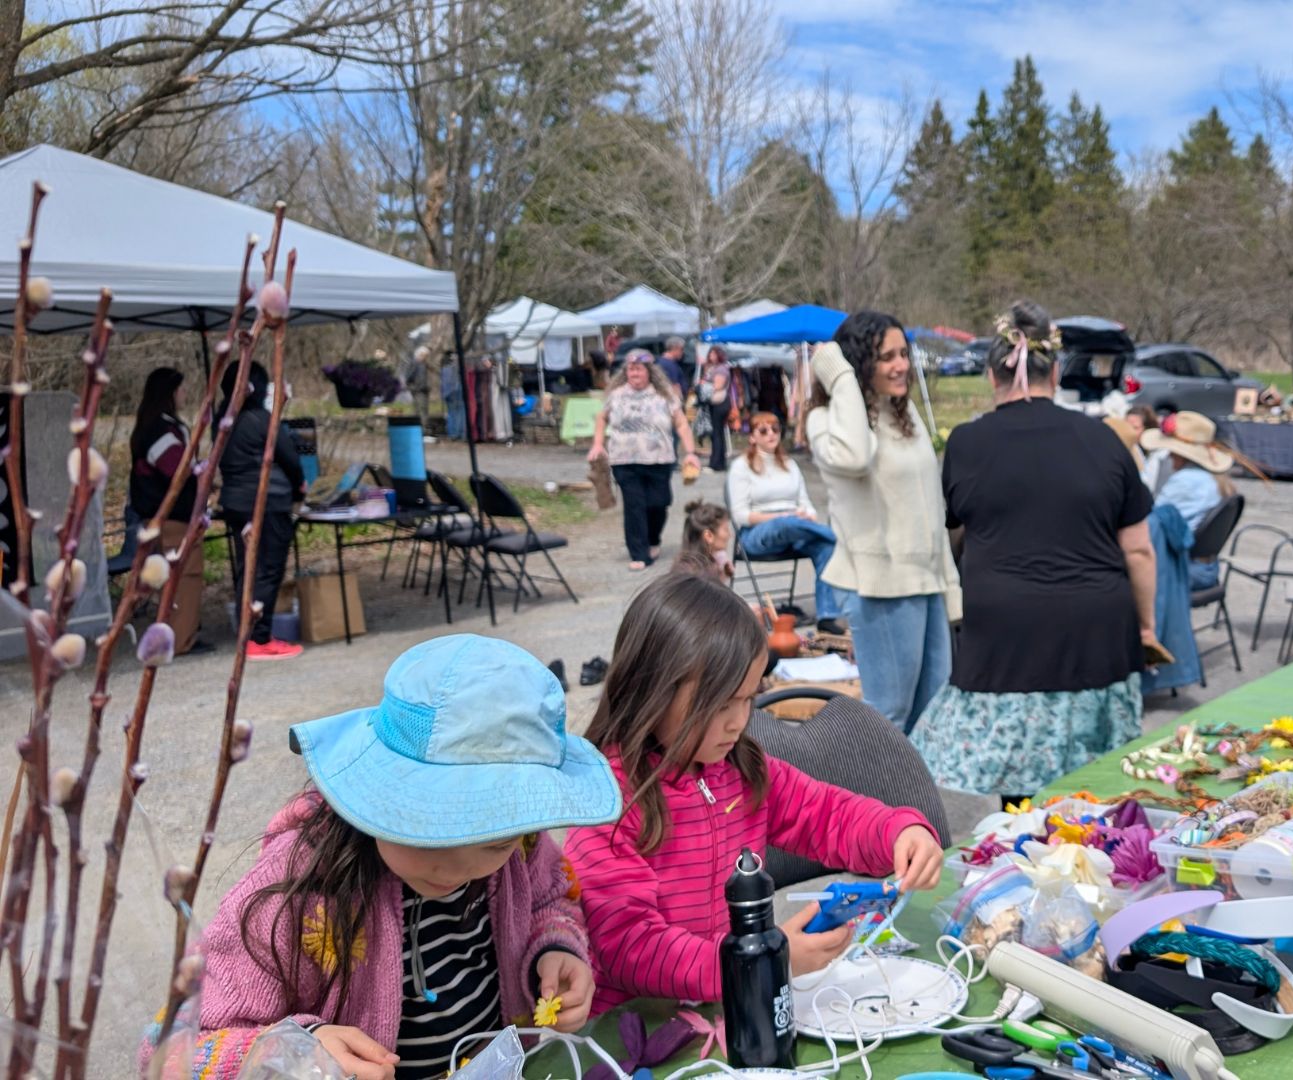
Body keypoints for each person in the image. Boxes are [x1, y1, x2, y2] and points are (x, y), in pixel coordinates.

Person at [143, 634, 621, 1080]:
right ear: (375, 795)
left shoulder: (525, 846)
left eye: (492, 845)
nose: (457, 871)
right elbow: (168, 1052)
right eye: (428, 836)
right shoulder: (297, 891)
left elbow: (551, 900)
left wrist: (555, 949)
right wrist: (295, 1049)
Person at [565, 575, 945, 1007]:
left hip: (724, 1006)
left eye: (747, 699)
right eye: (721, 704)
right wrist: (762, 960)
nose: (738, 721)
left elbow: (826, 815)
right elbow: (630, 946)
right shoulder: (608, 802)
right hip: (638, 1030)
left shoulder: (740, 770)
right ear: (653, 688)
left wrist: (899, 833)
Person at [910, 301, 1160, 798]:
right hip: (1098, 635)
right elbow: (1139, 552)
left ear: (989, 374)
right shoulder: (1107, 441)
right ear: (1058, 371)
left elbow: (956, 527)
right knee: (1095, 789)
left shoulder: (966, 443)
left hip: (1005, 637)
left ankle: (1009, 863)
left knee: (999, 795)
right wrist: (1147, 626)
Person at [805, 310, 960, 732]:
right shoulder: (826, 423)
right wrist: (840, 379)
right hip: (881, 587)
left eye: (903, 354)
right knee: (888, 717)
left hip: (925, 582)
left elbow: (932, 507)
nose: (902, 365)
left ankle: (919, 801)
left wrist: (951, 588)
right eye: (887, 357)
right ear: (858, 364)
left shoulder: (903, 413)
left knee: (933, 716)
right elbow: (856, 456)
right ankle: (874, 800)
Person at [726, 411, 846, 635]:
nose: (771, 434)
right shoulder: (742, 467)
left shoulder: (789, 464)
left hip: (795, 529)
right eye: (763, 430)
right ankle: (840, 538)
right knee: (787, 524)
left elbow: (806, 503)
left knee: (825, 547)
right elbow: (741, 515)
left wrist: (807, 514)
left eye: (775, 429)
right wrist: (780, 518)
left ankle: (827, 616)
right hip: (757, 532)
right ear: (752, 437)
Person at [216, 362, 305, 661]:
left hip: (236, 502)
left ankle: (247, 634)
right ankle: (259, 637)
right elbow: (289, 458)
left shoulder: (223, 420)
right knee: (268, 567)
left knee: (248, 567)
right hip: (267, 501)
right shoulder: (261, 419)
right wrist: (300, 487)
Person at [589, 356, 699, 570]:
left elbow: (682, 424)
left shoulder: (664, 395)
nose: (635, 374)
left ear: (649, 372)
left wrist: (690, 452)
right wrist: (597, 444)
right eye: (631, 370)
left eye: (639, 370)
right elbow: (602, 418)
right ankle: (639, 554)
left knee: (659, 503)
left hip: (659, 459)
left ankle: (653, 539)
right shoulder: (616, 395)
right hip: (624, 459)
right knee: (634, 505)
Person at [129, 367, 205, 654]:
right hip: (173, 518)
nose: (185, 394)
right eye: (182, 389)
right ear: (169, 393)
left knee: (175, 579)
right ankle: (183, 640)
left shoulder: (155, 425)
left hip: (163, 517)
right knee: (185, 579)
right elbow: (177, 471)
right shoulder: (160, 430)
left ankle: (177, 637)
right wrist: (200, 472)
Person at [1143, 411, 1235, 590]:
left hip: (1185, 569)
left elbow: (1152, 524)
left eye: (1172, 450)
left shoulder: (1185, 481)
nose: (1169, 455)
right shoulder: (1213, 479)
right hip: (1206, 566)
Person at [668, 499, 733, 583]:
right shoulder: (696, 576)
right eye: (726, 529)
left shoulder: (690, 564)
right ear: (708, 536)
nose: (730, 535)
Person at [695, 346, 736, 472]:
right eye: (710, 354)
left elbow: (718, 385)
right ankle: (718, 462)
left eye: (714, 354)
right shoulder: (712, 368)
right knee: (716, 434)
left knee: (717, 433)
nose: (711, 356)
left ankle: (716, 464)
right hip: (713, 403)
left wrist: (703, 385)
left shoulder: (721, 369)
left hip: (720, 402)